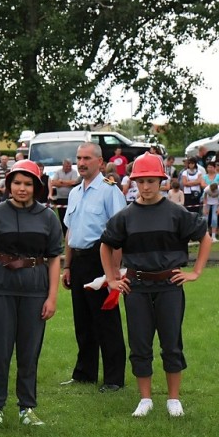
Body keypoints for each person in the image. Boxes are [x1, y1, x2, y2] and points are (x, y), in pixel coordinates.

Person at [100, 153, 210, 418]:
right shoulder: (126, 216)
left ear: (161, 181)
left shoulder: (176, 212)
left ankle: (173, 399)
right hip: (136, 287)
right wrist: (112, 278)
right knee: (139, 343)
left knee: (171, 342)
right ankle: (145, 399)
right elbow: (106, 245)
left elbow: (204, 237)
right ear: (134, 182)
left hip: (169, 286)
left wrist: (195, 272)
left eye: (151, 181)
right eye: (141, 181)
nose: (146, 187)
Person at [0, 160, 62, 426]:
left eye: (28, 184)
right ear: (9, 185)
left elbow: (54, 258)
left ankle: (27, 407)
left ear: (36, 187)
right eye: (17, 183)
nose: (22, 188)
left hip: (35, 292)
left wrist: (51, 297)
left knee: (29, 351)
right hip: (0, 291)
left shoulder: (48, 217)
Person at [61, 142, 127, 391]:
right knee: (83, 321)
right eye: (79, 157)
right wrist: (67, 266)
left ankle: (113, 378)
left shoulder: (110, 192)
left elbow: (118, 235)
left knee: (106, 321)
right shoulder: (76, 192)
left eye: (87, 158)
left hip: (101, 261)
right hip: (78, 261)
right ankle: (85, 373)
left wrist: (113, 274)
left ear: (100, 162)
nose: (81, 162)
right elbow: (70, 232)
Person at [50, 159, 79, 237]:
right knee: (62, 217)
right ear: (63, 165)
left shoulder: (74, 172)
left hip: (70, 198)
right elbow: (53, 182)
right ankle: (64, 234)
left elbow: (74, 182)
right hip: (60, 198)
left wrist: (61, 182)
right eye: (67, 166)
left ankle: (71, 233)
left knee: (71, 217)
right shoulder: (58, 172)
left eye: (70, 166)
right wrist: (67, 183)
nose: (69, 167)